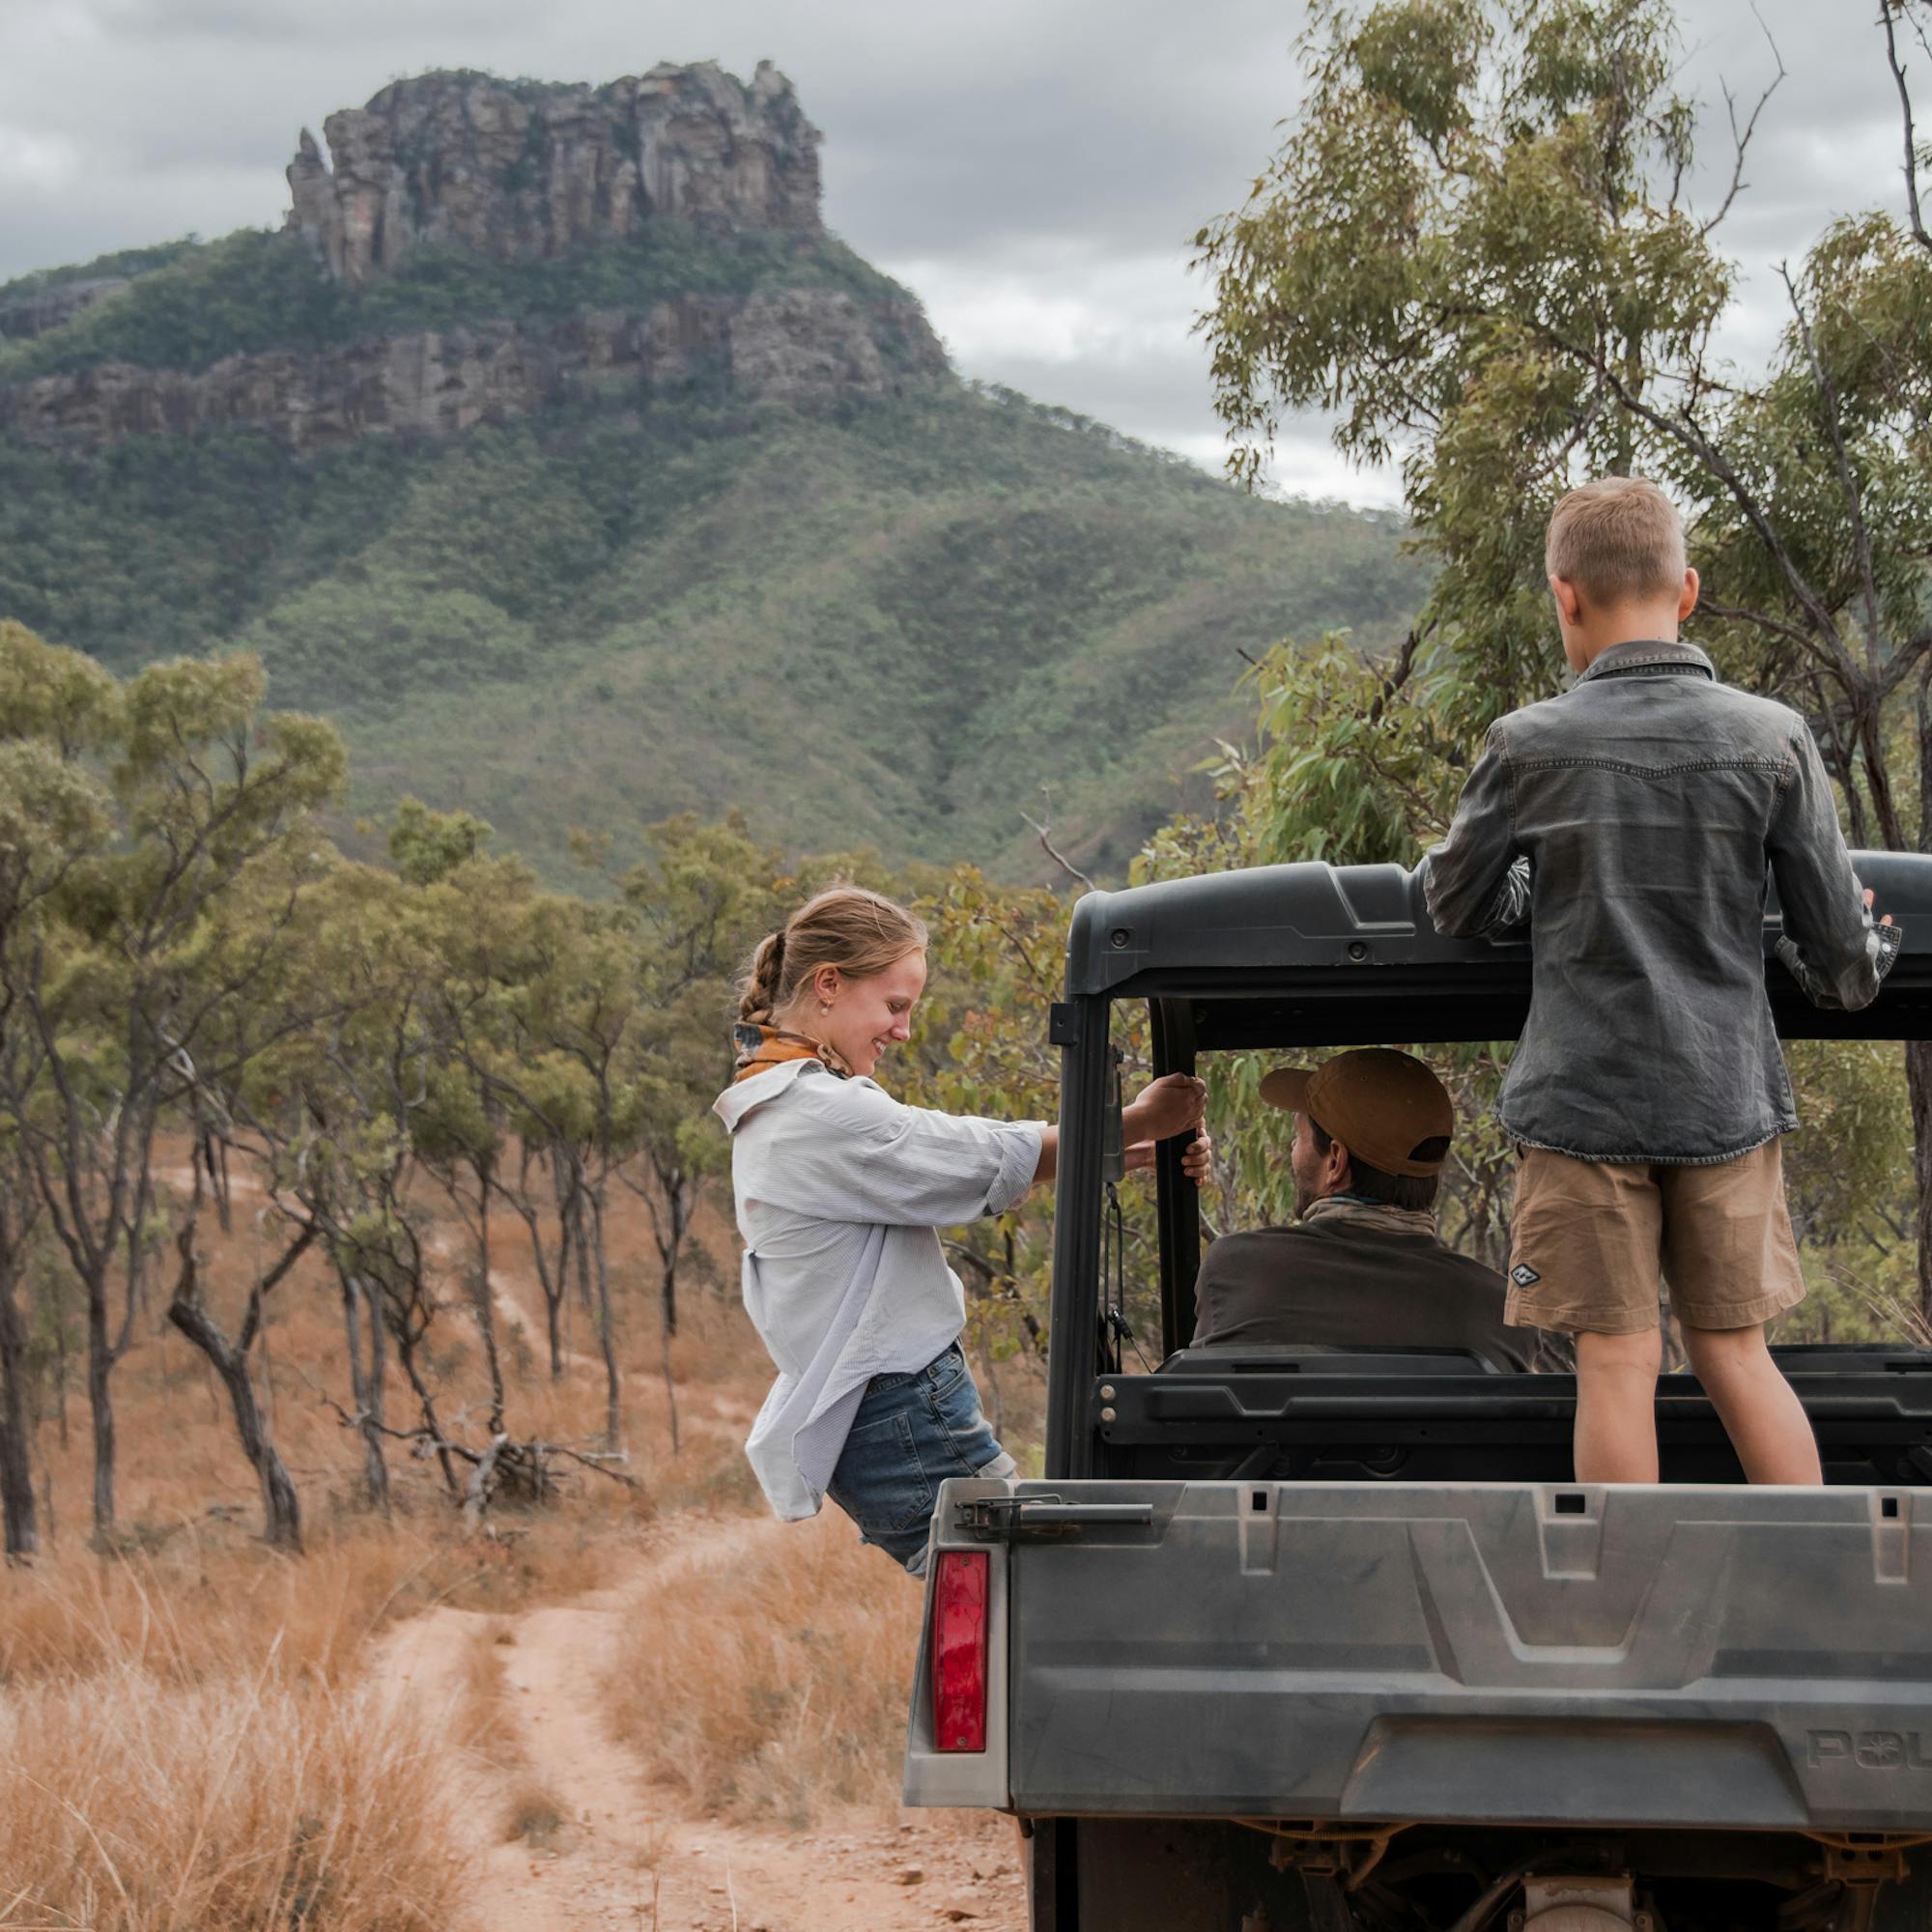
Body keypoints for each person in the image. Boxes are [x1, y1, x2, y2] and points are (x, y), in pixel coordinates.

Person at [1425, 474, 1899, 1485]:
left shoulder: (1524, 744)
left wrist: (1533, 890)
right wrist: (1859, 950)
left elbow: (1453, 902)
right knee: (1734, 1354)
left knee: (1615, 1358)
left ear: (1564, 595)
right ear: (1685, 591)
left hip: (1580, 1104)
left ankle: (1621, 1622)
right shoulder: (1770, 736)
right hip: (1724, 1096)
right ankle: (1799, 1601)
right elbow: (1841, 964)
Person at [714, 885, 1208, 1572]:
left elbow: (941, 1164)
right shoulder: (817, 1110)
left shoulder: (784, 1104)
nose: (903, 1031)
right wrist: (1136, 1123)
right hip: (904, 1410)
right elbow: (965, 1152)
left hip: (887, 1414)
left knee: (1020, 1598)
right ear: (829, 984)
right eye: (894, 1006)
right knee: (1050, 1589)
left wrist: (1120, 1148)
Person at [1189, 1048, 1553, 1371]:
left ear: (1335, 1161)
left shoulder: (1239, 1268)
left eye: (1298, 1137)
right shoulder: (1503, 1311)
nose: (1291, 1149)